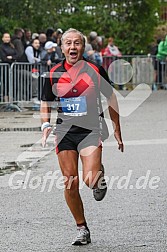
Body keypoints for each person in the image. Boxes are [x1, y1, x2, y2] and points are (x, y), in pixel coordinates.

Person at [40, 28, 124, 246]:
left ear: (83, 46)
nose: (72, 47)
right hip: (65, 132)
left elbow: (111, 97)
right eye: (68, 43)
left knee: (89, 179)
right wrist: (45, 124)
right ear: (61, 47)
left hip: (90, 130)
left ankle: (99, 176)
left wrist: (116, 127)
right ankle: (82, 228)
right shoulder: (53, 73)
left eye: (77, 43)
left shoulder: (94, 69)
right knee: (70, 182)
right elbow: (45, 102)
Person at [0, 32, 19, 102]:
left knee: (14, 84)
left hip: (13, 68)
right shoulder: (1, 47)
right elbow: (4, 58)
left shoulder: (12, 46)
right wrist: (12, 59)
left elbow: (17, 55)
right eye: (6, 37)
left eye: (8, 37)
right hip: (5, 69)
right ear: (2, 38)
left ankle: (12, 101)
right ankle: (6, 101)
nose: (7, 38)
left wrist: (11, 57)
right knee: (6, 85)